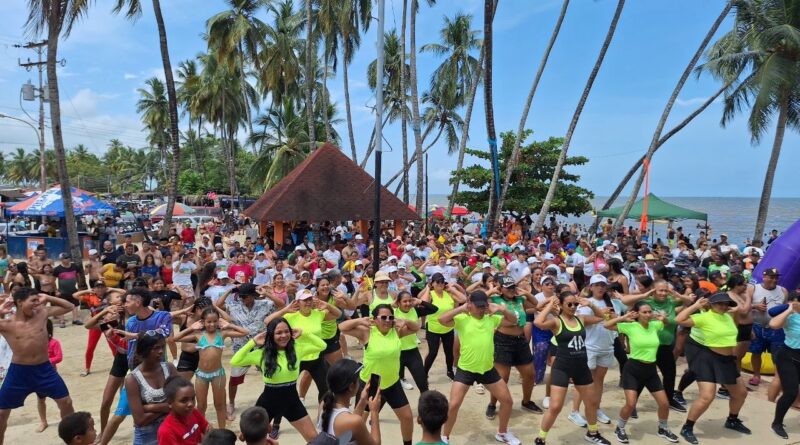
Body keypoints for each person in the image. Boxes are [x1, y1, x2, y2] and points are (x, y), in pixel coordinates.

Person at [438, 290, 522, 445]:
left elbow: (514, 321)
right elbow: (441, 320)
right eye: (478, 306)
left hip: (487, 369)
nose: (482, 309)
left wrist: (502, 309)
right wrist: (461, 308)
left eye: (484, 306)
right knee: (454, 404)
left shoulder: (491, 318)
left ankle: (502, 433)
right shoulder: (463, 319)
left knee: (507, 401)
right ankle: (444, 437)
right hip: (466, 369)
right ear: (470, 305)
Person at [0, 287, 75, 445]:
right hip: (18, 372)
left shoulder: (42, 313)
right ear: (19, 302)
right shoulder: (7, 323)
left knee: (66, 402)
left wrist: (48, 297)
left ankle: (73, 440)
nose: (37, 303)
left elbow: (69, 306)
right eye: (32, 300)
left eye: (37, 300)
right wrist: (0, 309)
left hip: (44, 369)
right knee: (1, 413)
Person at [230, 317, 325, 442]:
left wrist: (304, 333)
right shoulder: (262, 354)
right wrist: (253, 342)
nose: (284, 335)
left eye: (286, 332)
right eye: (279, 333)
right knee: (249, 439)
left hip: (292, 402)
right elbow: (235, 361)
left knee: (314, 440)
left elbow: (322, 345)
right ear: (271, 335)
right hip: (267, 403)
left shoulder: (297, 349)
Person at [533, 290, 610, 445]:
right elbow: (538, 323)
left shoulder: (581, 319)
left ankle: (593, 432)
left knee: (591, 402)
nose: (574, 307)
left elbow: (601, 317)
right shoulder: (556, 322)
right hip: (562, 366)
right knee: (555, 406)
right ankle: (541, 438)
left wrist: (591, 304)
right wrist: (550, 305)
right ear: (561, 304)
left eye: (575, 303)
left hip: (581, 366)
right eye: (569, 304)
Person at [675, 292, 751, 444]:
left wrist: (735, 314)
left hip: (726, 360)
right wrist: (695, 306)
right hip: (707, 358)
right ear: (711, 304)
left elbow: (734, 329)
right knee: (707, 396)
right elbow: (679, 319)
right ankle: (687, 427)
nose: (724, 306)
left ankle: (732, 420)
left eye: (726, 304)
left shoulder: (728, 317)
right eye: (720, 303)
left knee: (741, 393)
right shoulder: (704, 317)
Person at [339, 304, 419, 445]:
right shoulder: (367, 332)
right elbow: (342, 327)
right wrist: (360, 320)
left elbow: (416, 327)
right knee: (358, 422)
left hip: (392, 382)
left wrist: (404, 321)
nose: (387, 320)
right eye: (383, 317)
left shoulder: (396, 331)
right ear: (375, 319)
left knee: (407, 418)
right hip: (371, 384)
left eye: (390, 317)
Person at [604, 301, 679, 443]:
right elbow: (606, 325)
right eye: (644, 312)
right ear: (637, 314)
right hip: (633, 369)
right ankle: (620, 428)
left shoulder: (655, 325)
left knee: (664, 403)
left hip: (650, 370)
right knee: (631, 404)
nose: (648, 314)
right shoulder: (631, 326)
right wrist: (623, 317)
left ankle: (663, 428)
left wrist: (663, 317)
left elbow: (668, 323)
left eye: (650, 311)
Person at [173, 306, 249, 429]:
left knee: (219, 405)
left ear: (219, 321)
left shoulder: (222, 333)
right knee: (201, 406)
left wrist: (229, 325)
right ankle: (202, 433)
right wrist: (191, 328)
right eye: (209, 322)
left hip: (217, 375)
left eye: (215, 321)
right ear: (203, 322)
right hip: (201, 375)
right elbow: (175, 338)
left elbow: (245, 332)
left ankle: (222, 431)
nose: (212, 324)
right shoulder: (198, 334)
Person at [214, 283, 276, 422]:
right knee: (234, 379)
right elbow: (218, 304)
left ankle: (274, 399)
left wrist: (266, 293)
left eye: (244, 296)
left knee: (271, 374)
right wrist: (230, 289)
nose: (242, 298)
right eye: (240, 296)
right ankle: (231, 402)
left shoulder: (264, 304)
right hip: (241, 348)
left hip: (261, 348)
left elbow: (282, 305)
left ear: (253, 296)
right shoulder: (234, 305)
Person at [484, 275, 542, 418]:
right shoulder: (495, 300)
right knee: (502, 378)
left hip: (520, 340)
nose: (511, 290)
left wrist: (527, 293)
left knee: (530, 374)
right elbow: (476, 299)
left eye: (512, 287)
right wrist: (492, 291)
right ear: (501, 288)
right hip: (503, 340)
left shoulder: (520, 299)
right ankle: (492, 404)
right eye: (507, 287)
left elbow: (537, 305)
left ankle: (526, 401)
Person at [83, 290, 129, 435]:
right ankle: (103, 432)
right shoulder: (108, 322)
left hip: (136, 359)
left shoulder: (131, 317)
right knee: (106, 401)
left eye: (122, 300)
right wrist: (104, 312)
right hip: (121, 359)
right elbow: (88, 325)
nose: (120, 301)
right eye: (116, 299)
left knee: (133, 399)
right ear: (109, 304)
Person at [125, 331, 177, 445]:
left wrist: (149, 407)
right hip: (147, 436)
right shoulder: (132, 379)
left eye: (162, 347)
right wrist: (167, 407)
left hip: (173, 430)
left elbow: (181, 402)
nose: (161, 351)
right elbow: (140, 420)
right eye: (155, 348)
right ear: (143, 352)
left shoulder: (169, 368)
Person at [318, 359, 382, 445]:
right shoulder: (354, 421)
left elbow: (346, 434)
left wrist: (362, 401)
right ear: (351, 386)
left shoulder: (324, 403)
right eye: (358, 379)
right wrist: (374, 412)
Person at [419, 273, 466, 381]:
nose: (440, 284)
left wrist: (452, 289)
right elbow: (424, 303)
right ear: (433, 283)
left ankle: (450, 371)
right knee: (433, 352)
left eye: (442, 282)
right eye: (437, 282)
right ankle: (424, 373)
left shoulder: (448, 293)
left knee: (449, 351)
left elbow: (463, 299)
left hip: (448, 327)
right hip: (433, 327)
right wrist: (427, 288)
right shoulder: (431, 294)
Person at [767, 295, 800, 439]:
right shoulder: (791, 316)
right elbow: (773, 324)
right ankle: (777, 423)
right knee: (790, 392)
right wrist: (790, 309)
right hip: (788, 357)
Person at [747, 268, 788, 385]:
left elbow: (785, 308)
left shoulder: (783, 291)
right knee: (756, 352)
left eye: (776, 277)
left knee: (777, 354)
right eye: (771, 277)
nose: (774, 280)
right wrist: (755, 306)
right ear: (764, 277)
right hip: (757, 326)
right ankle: (756, 375)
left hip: (775, 329)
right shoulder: (753, 288)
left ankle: (777, 379)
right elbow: (744, 306)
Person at [394, 291, 438, 391]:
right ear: (398, 303)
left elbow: (434, 309)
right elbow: (377, 311)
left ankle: (426, 405)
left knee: (422, 383)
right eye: (404, 301)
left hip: (412, 351)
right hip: (396, 352)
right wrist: (392, 305)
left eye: (410, 301)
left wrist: (420, 301)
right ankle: (402, 379)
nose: (408, 303)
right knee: (393, 387)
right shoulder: (393, 312)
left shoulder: (415, 310)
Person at [157, 375, 210, 445]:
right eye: (184, 401)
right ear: (170, 403)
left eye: (193, 398)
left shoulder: (194, 412)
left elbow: (208, 430)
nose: (190, 404)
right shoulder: (166, 431)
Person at [36, 319, 63, 433]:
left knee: (60, 400)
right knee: (41, 400)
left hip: (51, 375)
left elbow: (59, 357)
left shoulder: (54, 343)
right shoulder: (35, 343)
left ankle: (64, 420)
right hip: (38, 376)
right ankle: (43, 421)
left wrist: (46, 360)